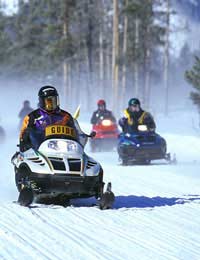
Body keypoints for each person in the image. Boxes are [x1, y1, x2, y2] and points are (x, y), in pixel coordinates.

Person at [19, 85, 83, 152]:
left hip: (64, 149)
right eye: (49, 101)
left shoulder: (65, 116)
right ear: (42, 101)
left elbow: (74, 132)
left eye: (54, 100)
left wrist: (79, 138)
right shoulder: (32, 117)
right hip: (40, 151)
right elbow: (23, 134)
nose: (52, 104)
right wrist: (24, 144)